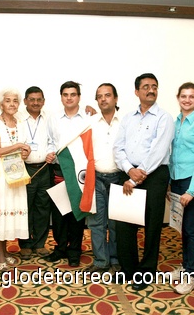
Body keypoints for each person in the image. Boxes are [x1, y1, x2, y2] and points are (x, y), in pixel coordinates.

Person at [113, 73, 174, 290]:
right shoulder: (128, 118)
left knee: (152, 226)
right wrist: (129, 170)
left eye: (154, 86)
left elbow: (158, 150)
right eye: (146, 86)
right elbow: (118, 147)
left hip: (154, 176)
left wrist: (138, 174)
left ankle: (146, 273)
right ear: (136, 92)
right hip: (129, 173)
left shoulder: (164, 118)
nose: (151, 90)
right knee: (124, 225)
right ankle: (128, 269)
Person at [167, 82, 194, 294]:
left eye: (191, 97)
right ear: (178, 98)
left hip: (192, 182)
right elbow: (172, 153)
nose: (187, 100)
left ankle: (193, 274)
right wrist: (170, 183)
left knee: (191, 228)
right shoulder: (176, 121)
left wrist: (192, 190)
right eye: (183, 96)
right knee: (181, 226)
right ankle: (185, 266)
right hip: (177, 178)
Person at [45, 80, 92, 267]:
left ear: (79, 97)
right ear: (61, 97)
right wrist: (49, 151)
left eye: (73, 94)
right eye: (66, 95)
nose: (69, 98)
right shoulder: (54, 118)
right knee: (59, 214)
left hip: (79, 173)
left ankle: (75, 250)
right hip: (58, 171)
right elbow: (50, 141)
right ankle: (60, 248)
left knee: (76, 214)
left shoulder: (88, 117)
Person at [0, 88, 31, 270]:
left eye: (15, 101)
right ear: (0, 104)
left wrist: (25, 152)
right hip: (0, 175)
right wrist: (19, 145)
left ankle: (5, 252)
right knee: (2, 212)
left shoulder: (21, 123)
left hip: (17, 175)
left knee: (14, 210)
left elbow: (23, 150)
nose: (12, 104)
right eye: (7, 101)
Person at [85, 83, 121, 273]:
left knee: (115, 222)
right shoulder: (90, 122)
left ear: (115, 98)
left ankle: (115, 260)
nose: (104, 99)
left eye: (108, 95)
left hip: (118, 180)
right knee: (96, 223)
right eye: (100, 96)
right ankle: (100, 261)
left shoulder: (125, 121)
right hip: (96, 179)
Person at [18, 86, 56, 260]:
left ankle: (40, 244)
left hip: (44, 168)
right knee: (25, 207)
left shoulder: (49, 118)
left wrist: (51, 152)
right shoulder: (17, 118)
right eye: (31, 99)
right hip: (24, 169)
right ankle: (25, 244)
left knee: (43, 207)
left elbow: (53, 140)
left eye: (38, 99)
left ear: (43, 101)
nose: (35, 102)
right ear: (25, 101)